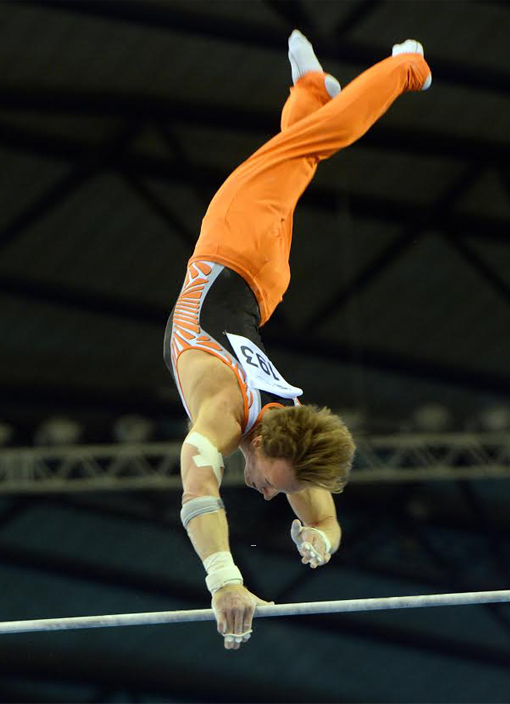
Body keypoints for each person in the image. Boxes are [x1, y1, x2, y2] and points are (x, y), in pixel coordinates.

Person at [162, 30, 432, 650]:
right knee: (312, 145)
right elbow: (196, 488)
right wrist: (225, 582)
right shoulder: (225, 414)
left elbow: (323, 516)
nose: (264, 490)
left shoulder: (287, 435)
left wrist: (321, 539)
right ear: (261, 442)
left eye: (277, 489)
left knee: (298, 157)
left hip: (263, 288)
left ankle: (312, 89)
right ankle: (408, 69)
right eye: (271, 481)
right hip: (235, 245)